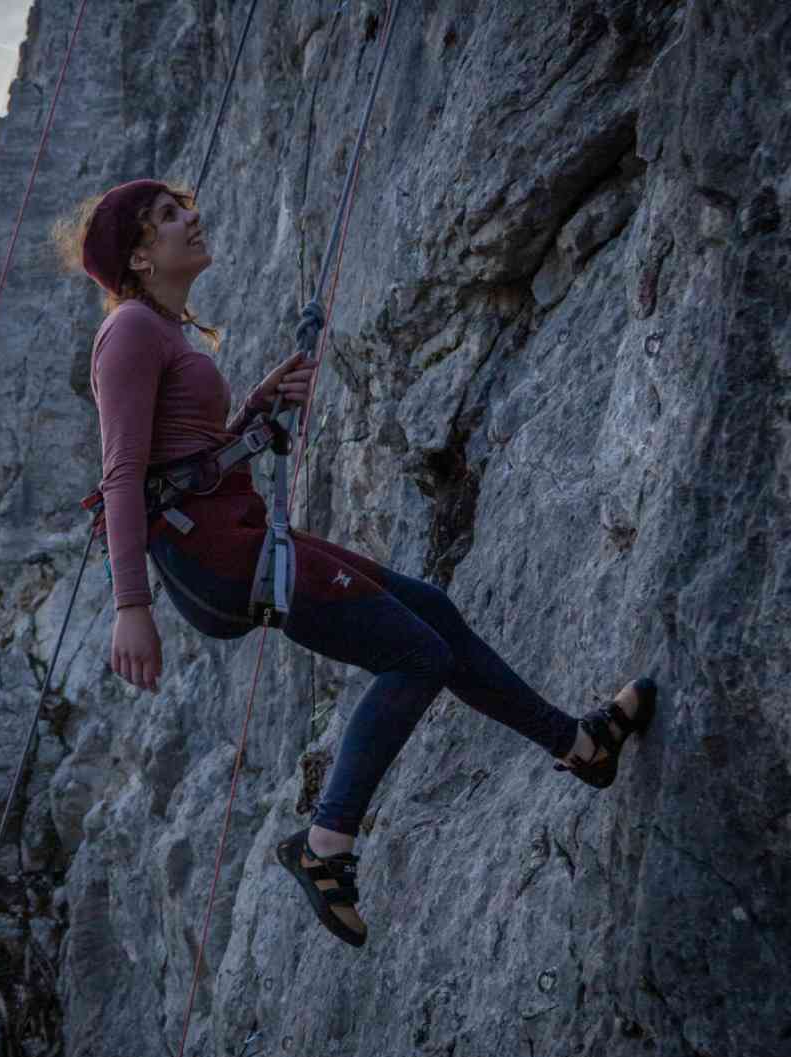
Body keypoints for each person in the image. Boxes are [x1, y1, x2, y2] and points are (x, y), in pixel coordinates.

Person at [51, 177, 657, 948]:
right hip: (218, 554)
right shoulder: (131, 331)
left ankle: (580, 746)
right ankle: (325, 843)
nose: (191, 218)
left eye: (185, 207)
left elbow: (183, 458)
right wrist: (131, 606)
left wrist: (254, 413)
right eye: (169, 217)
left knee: (431, 611)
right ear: (140, 256)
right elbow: (122, 474)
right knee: (417, 655)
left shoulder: (162, 328)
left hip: (235, 536)